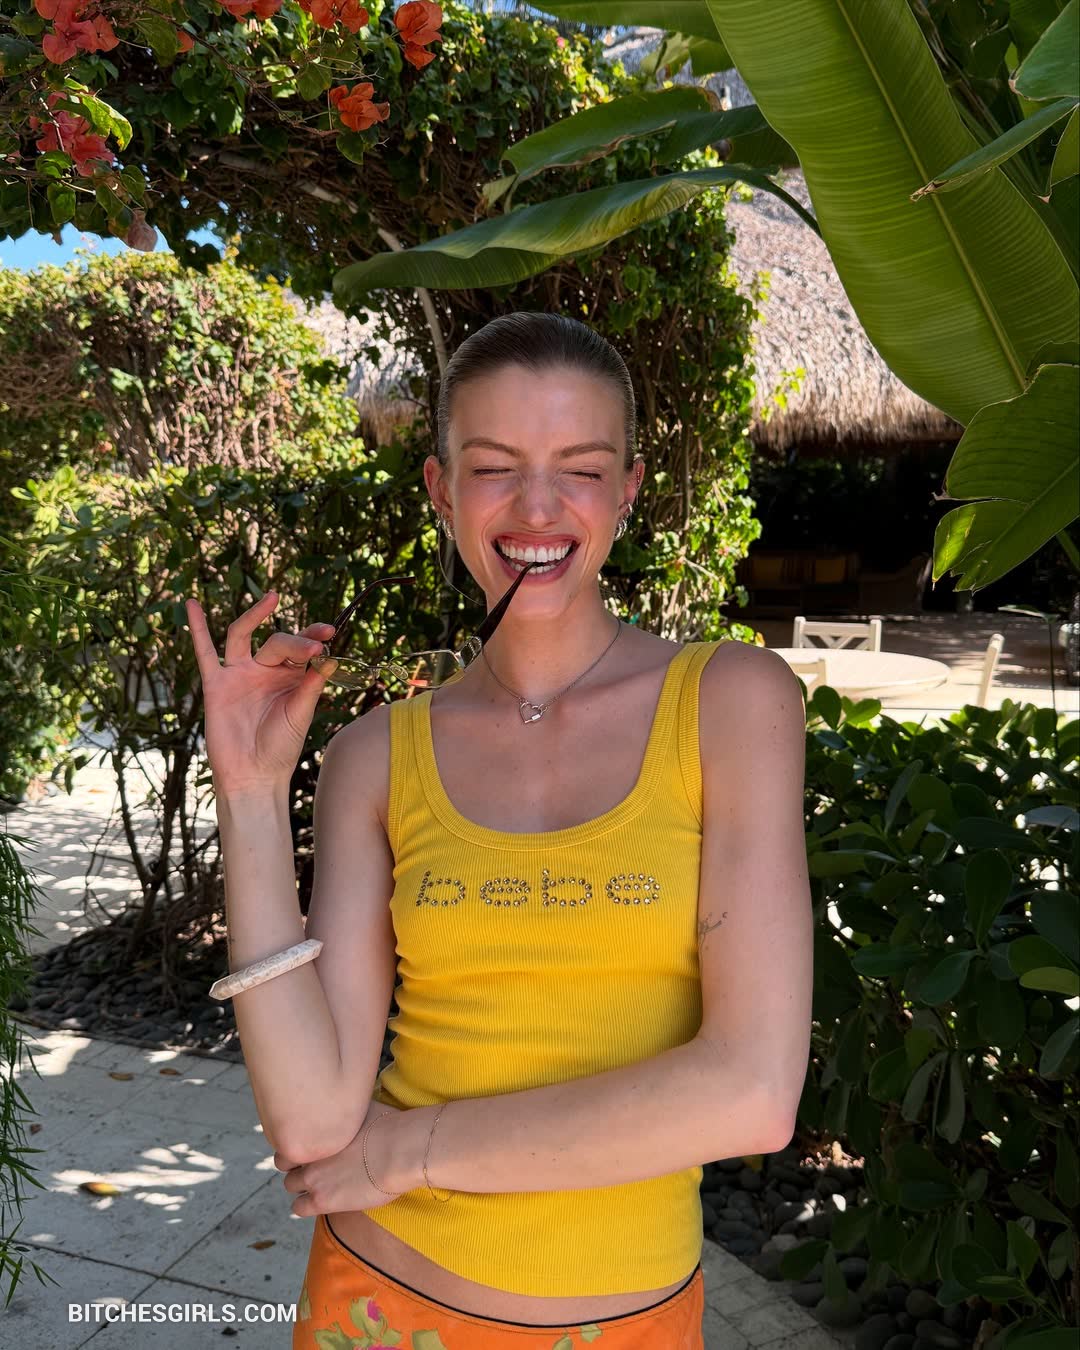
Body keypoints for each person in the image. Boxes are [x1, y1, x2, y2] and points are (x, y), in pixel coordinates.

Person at [183, 312, 813, 1348]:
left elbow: (749, 1093)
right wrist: (251, 794)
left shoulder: (731, 704)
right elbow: (312, 1121)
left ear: (628, 489)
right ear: (441, 489)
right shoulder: (376, 756)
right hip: (374, 1307)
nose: (537, 506)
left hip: (628, 1326)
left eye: (582, 468)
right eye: (494, 467)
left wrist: (408, 1151)